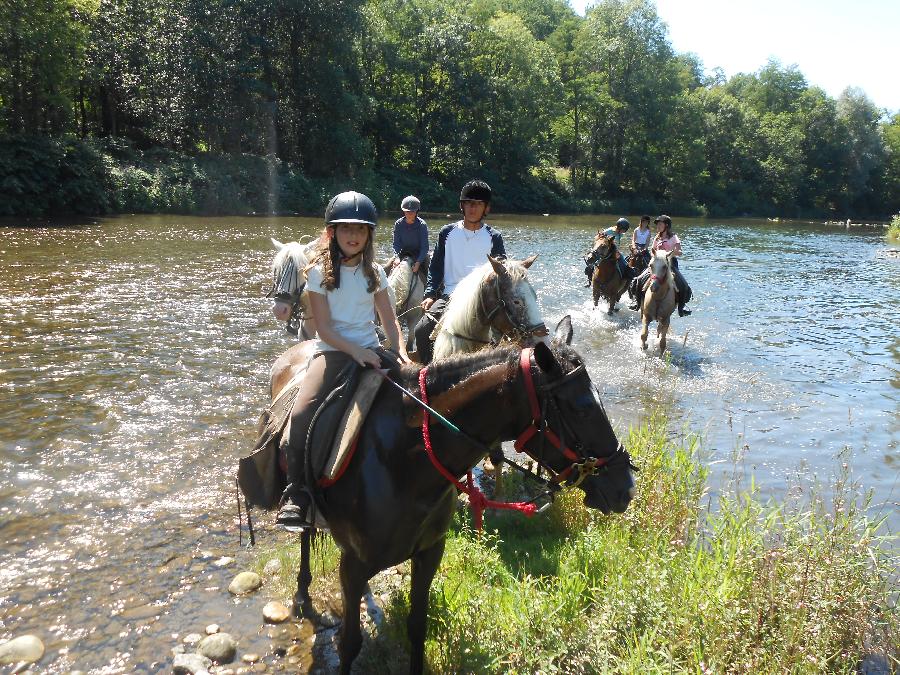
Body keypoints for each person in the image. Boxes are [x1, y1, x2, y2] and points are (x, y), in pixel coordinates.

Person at [276, 190, 410, 529]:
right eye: (346, 228)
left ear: (369, 236)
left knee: (415, 396)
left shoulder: (375, 272)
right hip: (333, 352)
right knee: (304, 412)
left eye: (361, 230)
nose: (354, 236)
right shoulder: (319, 274)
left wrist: (401, 354)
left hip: (370, 348)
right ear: (332, 233)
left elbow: (390, 321)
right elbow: (323, 328)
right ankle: (297, 492)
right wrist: (357, 352)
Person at [413, 179, 506, 365]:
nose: (473, 208)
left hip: (483, 300)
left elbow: (501, 273)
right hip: (450, 296)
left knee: (504, 338)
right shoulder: (446, 233)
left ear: (486, 208)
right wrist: (430, 293)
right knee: (421, 330)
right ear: (462, 206)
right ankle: (426, 372)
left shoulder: (494, 237)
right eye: (469, 203)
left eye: (478, 204)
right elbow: (436, 267)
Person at [628, 214, 693, 316]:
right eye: (657, 224)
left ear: (666, 225)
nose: (658, 226)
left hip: (669, 264)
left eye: (660, 224)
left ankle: (682, 306)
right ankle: (636, 302)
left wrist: (671, 252)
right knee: (638, 280)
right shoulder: (657, 237)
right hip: (656, 264)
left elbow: (680, 252)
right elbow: (653, 250)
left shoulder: (674, 237)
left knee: (683, 285)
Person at [584, 217, 634, 285]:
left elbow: (617, 244)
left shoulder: (620, 234)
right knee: (593, 263)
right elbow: (598, 238)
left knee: (625, 264)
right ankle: (589, 279)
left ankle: (625, 282)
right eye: (623, 230)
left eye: (625, 230)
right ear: (619, 227)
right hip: (605, 252)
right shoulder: (609, 231)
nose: (624, 232)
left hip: (615, 251)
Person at [391, 195, 429, 281]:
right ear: (403, 211)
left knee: (430, 269)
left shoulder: (422, 225)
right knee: (386, 267)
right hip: (402, 253)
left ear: (416, 212)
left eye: (412, 212)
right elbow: (396, 244)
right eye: (407, 211)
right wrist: (397, 257)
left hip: (419, 254)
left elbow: (425, 247)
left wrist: (418, 263)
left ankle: (433, 291)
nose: (409, 214)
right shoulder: (398, 223)